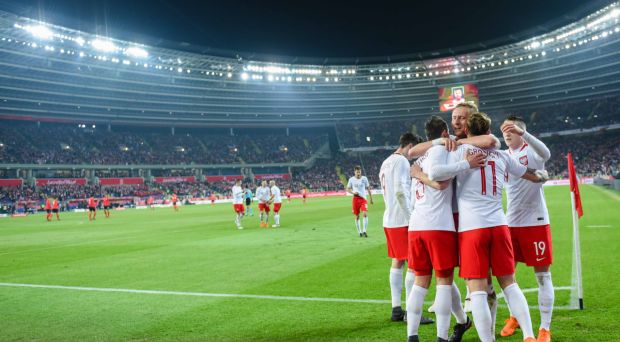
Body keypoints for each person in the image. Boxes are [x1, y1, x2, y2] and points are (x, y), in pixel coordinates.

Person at [428, 112, 548, 342]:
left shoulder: (459, 151)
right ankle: (530, 336)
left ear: (469, 132)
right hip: (500, 225)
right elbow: (531, 175)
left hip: (472, 229)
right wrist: (542, 175)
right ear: (488, 130)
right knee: (510, 285)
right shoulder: (502, 155)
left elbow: (435, 173)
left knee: (478, 292)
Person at [407, 117, 471, 342]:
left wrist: (418, 174)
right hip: (439, 225)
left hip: (416, 226)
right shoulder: (441, 149)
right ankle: (442, 338)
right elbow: (438, 178)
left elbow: (413, 155)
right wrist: (465, 164)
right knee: (444, 281)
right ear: (444, 132)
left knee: (419, 283)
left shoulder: (421, 155)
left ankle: (412, 336)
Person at [500, 115, 554, 342]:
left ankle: (544, 328)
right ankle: (515, 316)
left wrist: (525, 134)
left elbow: (546, 154)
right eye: (504, 130)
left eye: (511, 129)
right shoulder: (504, 156)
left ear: (521, 132)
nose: (506, 133)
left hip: (536, 222)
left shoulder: (532, 151)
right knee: (507, 277)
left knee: (542, 276)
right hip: (510, 223)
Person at [379, 133, 434, 325]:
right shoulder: (402, 162)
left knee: (398, 262)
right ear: (409, 145)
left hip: (389, 218)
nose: (415, 154)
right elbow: (401, 191)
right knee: (414, 265)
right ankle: (412, 313)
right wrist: (411, 219)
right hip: (403, 220)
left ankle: (396, 308)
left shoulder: (386, 161)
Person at [347, 166, 373, 237]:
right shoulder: (351, 179)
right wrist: (353, 193)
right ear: (354, 172)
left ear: (360, 171)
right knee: (357, 216)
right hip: (355, 199)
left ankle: (364, 230)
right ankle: (360, 232)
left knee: (365, 213)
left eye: (359, 172)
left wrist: (371, 198)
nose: (358, 173)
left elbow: (368, 188)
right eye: (357, 172)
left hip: (363, 199)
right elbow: (348, 189)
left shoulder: (364, 178)